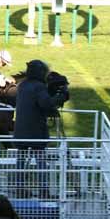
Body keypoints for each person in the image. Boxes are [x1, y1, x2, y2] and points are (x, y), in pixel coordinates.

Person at [13, 60, 68, 197]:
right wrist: (61, 97)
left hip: (20, 130)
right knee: (41, 162)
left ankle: (19, 190)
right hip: (36, 131)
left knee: (20, 162)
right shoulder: (39, 86)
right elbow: (46, 104)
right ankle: (44, 191)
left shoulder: (22, 85)